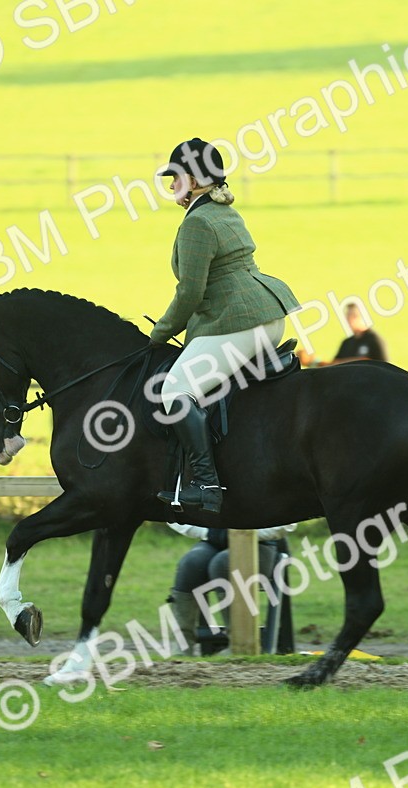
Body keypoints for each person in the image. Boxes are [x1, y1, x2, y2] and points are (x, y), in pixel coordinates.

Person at [149, 137, 301, 515]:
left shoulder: (197, 222)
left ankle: (205, 482)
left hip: (239, 322)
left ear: (197, 181)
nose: (171, 185)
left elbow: (190, 294)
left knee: (175, 391)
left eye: (177, 177)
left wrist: (160, 333)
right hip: (268, 314)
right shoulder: (223, 212)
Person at [166, 522, 296, 656]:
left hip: (261, 544)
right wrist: (209, 532)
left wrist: (243, 533)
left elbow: (288, 524)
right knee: (190, 565)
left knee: (223, 564)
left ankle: (238, 646)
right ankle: (182, 648)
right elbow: (174, 517)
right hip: (213, 540)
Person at [299, 302, 388, 367]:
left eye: (353, 316)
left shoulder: (374, 340)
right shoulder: (347, 343)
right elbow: (334, 366)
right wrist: (314, 362)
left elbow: (384, 366)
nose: (349, 320)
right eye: (348, 316)